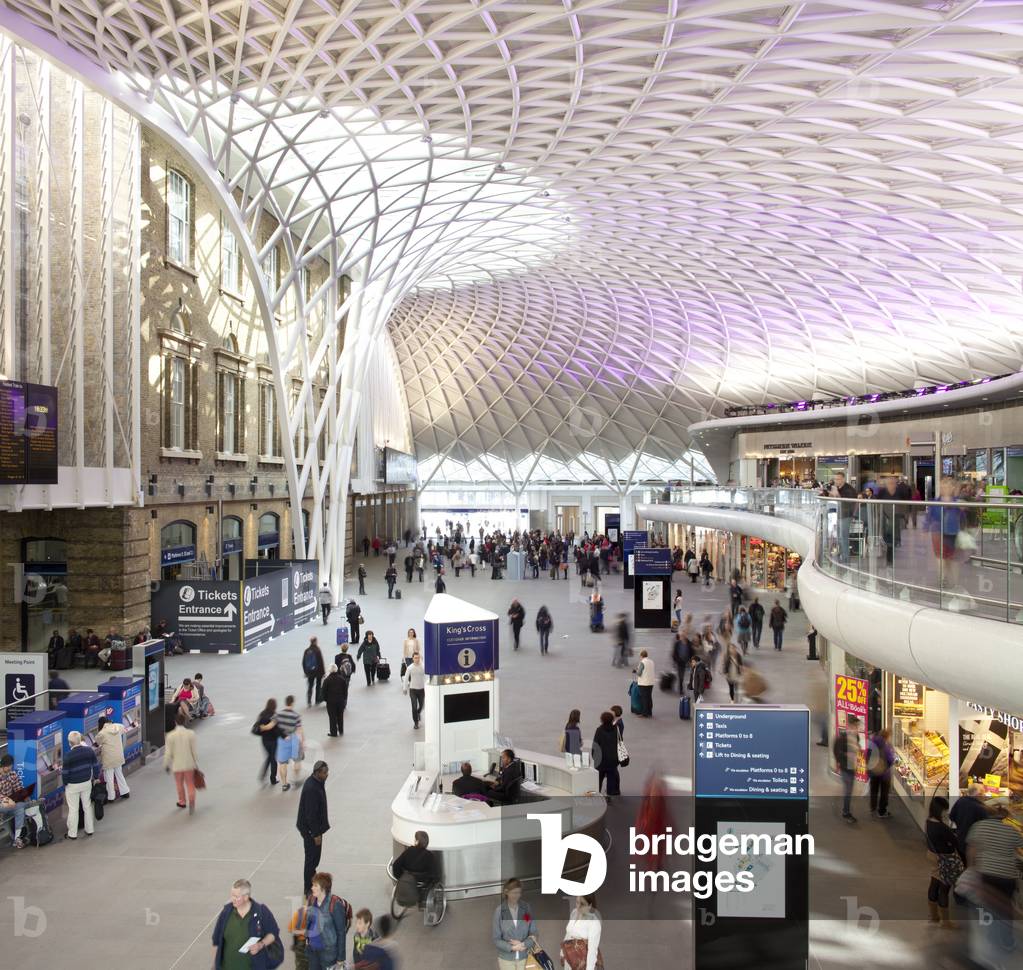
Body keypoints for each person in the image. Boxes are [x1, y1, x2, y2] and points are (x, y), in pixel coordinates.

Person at [210, 878, 281, 970]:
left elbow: (273, 933)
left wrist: (260, 945)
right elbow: (216, 942)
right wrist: (214, 965)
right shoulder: (226, 912)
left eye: (236, 896)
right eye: (232, 895)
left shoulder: (262, 912)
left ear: (246, 897)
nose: (233, 899)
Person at [925, 795, 960, 929]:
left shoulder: (928, 822)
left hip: (932, 855)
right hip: (946, 859)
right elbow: (954, 841)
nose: (946, 812)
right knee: (944, 889)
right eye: (945, 810)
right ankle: (946, 922)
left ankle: (934, 916)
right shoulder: (941, 827)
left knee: (934, 883)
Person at [301, 871, 349, 970]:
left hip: (328, 953)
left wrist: (341, 957)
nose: (312, 888)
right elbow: (309, 920)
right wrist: (307, 937)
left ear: (323, 888)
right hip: (312, 950)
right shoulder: (311, 899)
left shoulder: (335, 904)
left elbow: (341, 932)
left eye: (315, 886)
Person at [297, 761, 330, 895]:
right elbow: (310, 815)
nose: (327, 775)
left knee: (314, 858)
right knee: (311, 859)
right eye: (325, 772)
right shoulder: (312, 788)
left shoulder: (317, 783)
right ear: (317, 773)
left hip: (314, 829)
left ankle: (312, 879)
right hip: (311, 831)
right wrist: (315, 834)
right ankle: (308, 888)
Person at [0, 754, 45, 849]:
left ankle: (17, 838)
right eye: (7, 767)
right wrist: (7, 800)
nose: (9, 769)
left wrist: (25, 795)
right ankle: (27, 804)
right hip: (2, 805)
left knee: (20, 807)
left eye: (10, 766)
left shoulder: (12, 774)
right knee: (19, 806)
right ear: (2, 766)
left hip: (11, 804)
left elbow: (18, 787)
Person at [493, 878, 539, 969]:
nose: (517, 896)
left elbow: (534, 932)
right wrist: (512, 948)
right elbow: (496, 939)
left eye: (519, 892)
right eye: (514, 893)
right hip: (506, 959)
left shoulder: (526, 909)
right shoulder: (499, 912)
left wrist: (523, 944)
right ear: (506, 892)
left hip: (525, 957)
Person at [164, 712, 199, 813]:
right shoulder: (191, 734)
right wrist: (195, 761)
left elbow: (168, 753)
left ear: (175, 722)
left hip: (177, 765)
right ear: (184, 722)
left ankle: (182, 801)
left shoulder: (170, 736)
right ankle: (192, 801)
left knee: (179, 784)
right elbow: (194, 750)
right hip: (189, 763)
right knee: (190, 783)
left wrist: (166, 764)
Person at [392, 829, 437, 905]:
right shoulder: (429, 855)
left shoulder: (409, 850)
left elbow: (396, 865)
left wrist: (400, 876)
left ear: (416, 841)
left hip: (407, 877)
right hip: (422, 880)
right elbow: (433, 873)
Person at [560, 894, 602, 970]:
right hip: (570, 958)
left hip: (582, 962)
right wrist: (562, 952)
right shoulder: (574, 912)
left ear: (590, 905)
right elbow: (569, 933)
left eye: (582, 904)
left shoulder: (594, 923)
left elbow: (592, 951)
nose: (578, 906)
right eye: (577, 902)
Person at [824, 470, 858, 563]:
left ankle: (846, 559)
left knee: (843, 538)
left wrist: (836, 494)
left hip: (846, 516)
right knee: (839, 537)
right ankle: (842, 555)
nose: (836, 481)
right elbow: (835, 500)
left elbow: (846, 502)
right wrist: (829, 493)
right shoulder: (838, 488)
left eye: (838, 479)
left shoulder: (849, 489)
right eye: (835, 479)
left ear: (843, 479)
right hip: (838, 515)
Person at [95, 716, 130, 802]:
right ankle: (125, 792)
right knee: (119, 774)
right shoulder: (117, 726)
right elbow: (123, 728)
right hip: (118, 755)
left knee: (109, 777)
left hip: (109, 758)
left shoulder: (102, 733)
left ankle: (111, 797)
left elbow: (97, 741)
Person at [949, 784, 990, 859]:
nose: (985, 796)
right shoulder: (981, 808)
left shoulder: (960, 801)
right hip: (974, 846)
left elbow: (951, 816)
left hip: (960, 840)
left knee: (964, 863)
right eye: (983, 793)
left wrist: (961, 823)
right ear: (979, 795)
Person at [833, 715, 860, 822]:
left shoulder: (856, 737)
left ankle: (846, 811)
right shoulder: (842, 738)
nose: (857, 728)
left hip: (853, 767)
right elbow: (837, 751)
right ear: (850, 725)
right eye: (855, 725)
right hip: (846, 768)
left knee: (849, 790)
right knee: (848, 791)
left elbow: (856, 748)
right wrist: (845, 756)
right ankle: (846, 812)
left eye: (857, 726)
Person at [275, 695, 304, 792]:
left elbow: (273, 726)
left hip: (282, 740)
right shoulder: (296, 715)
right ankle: (296, 780)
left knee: (282, 763)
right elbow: (299, 730)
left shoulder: (278, 714)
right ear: (292, 703)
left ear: (285, 702)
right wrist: (302, 742)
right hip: (293, 739)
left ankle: (284, 784)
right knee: (297, 760)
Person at [591, 711, 621, 799]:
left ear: (602, 720)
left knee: (598, 778)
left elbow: (595, 745)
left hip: (601, 760)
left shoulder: (599, 730)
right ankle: (609, 795)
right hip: (613, 759)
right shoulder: (616, 729)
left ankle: (597, 793)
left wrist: (594, 757)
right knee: (611, 777)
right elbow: (620, 743)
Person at [866, 727, 894, 818]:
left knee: (874, 790)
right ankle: (882, 811)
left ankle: (872, 808)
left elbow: (867, 756)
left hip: (873, 772)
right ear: (887, 736)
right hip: (884, 774)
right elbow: (890, 759)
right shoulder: (886, 745)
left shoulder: (872, 742)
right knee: (884, 793)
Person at [255, 698, 280, 785]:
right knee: (273, 759)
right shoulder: (274, 715)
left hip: (264, 741)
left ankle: (263, 775)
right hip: (273, 741)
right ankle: (273, 779)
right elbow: (275, 728)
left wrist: (263, 728)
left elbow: (258, 725)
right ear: (274, 706)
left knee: (269, 757)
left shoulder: (262, 714)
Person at [322, 665, 349, 738]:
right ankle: (341, 730)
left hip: (331, 702)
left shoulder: (327, 680)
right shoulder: (341, 679)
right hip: (340, 701)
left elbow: (323, 692)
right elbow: (345, 690)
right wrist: (344, 699)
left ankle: (333, 732)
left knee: (332, 717)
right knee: (340, 716)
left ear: (329, 670)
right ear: (336, 670)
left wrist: (326, 699)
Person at [402, 651, 426, 729]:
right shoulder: (410, 668)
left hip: (422, 689)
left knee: (422, 706)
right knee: (414, 706)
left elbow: (427, 676)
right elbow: (405, 678)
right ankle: (416, 723)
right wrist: (405, 688)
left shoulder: (423, 666)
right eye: (415, 658)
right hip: (413, 690)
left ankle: (418, 713)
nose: (417, 659)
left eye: (418, 658)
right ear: (412, 659)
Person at [302, 637, 326, 706]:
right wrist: (323, 673)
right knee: (318, 686)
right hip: (318, 672)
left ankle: (309, 701)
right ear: (315, 642)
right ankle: (317, 700)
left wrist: (305, 672)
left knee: (310, 686)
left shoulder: (307, 651)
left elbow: (303, 662)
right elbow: (321, 662)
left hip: (310, 672)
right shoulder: (317, 650)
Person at [634, 649, 655, 717]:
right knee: (649, 697)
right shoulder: (651, 661)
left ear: (641, 655)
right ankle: (649, 712)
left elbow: (639, 673)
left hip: (644, 683)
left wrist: (635, 671)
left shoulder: (642, 662)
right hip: (651, 682)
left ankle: (644, 713)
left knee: (644, 698)